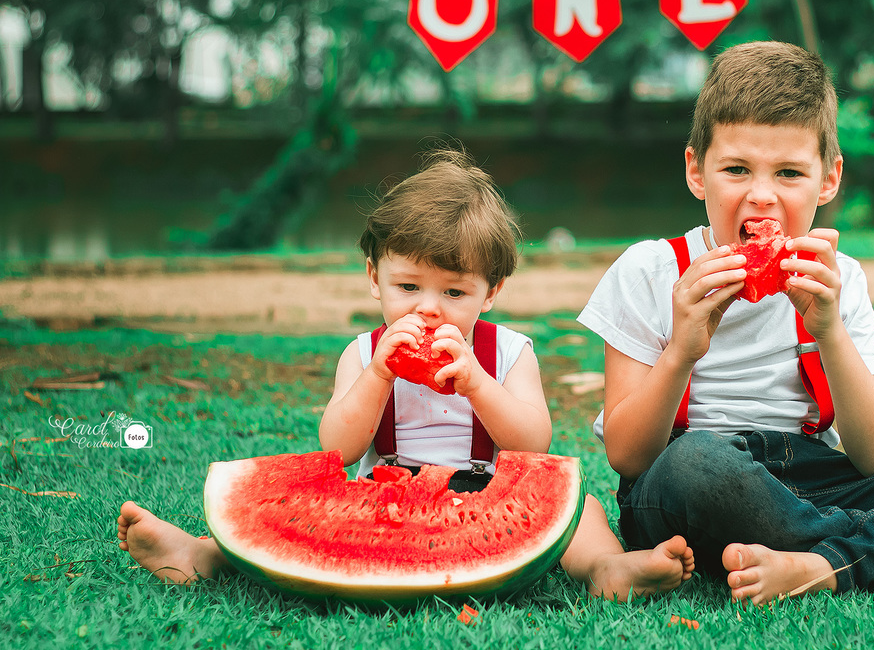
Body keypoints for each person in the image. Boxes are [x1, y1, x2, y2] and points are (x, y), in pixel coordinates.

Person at [577, 41, 874, 605]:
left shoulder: (837, 277)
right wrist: (682, 349)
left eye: (788, 173)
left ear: (828, 180)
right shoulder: (649, 271)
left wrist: (828, 329)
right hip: (686, 489)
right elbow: (629, 458)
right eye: (735, 169)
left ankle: (824, 562)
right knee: (697, 459)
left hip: (820, 479)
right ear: (696, 170)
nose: (760, 196)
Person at [118, 149, 694, 602]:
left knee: (579, 509)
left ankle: (605, 568)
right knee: (299, 510)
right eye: (408, 287)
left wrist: (474, 382)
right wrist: (377, 375)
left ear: (491, 292)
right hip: (381, 499)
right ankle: (202, 554)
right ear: (374, 277)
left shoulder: (508, 352)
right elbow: (338, 448)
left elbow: (533, 445)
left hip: (482, 494)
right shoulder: (362, 352)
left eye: (454, 291)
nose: (429, 309)